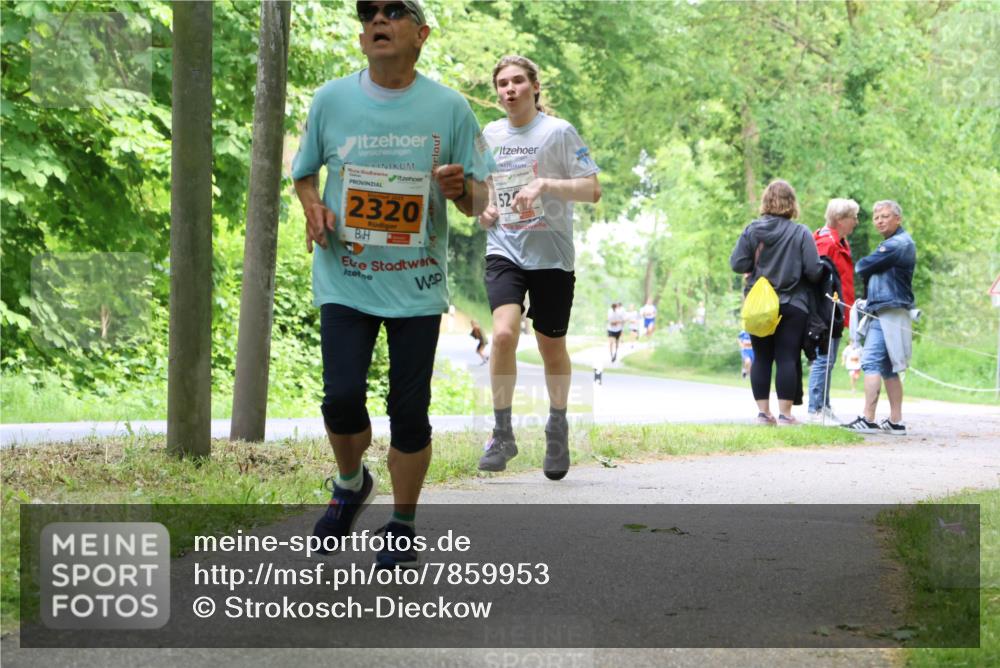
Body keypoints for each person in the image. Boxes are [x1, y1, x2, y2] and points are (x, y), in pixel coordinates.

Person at [291, 0, 492, 569]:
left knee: (409, 411)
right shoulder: (331, 100)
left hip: (417, 285)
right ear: (362, 39)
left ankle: (402, 523)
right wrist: (313, 208)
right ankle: (350, 482)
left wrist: (460, 191)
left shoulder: (450, 108)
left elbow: (483, 199)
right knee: (342, 397)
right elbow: (304, 173)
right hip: (346, 278)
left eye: (394, 11)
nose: (378, 19)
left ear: (421, 34)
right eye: (369, 14)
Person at [475, 55, 601, 480]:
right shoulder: (488, 135)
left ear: (534, 87)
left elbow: (593, 189)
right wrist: (483, 209)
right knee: (505, 333)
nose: (509, 89)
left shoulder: (559, 132)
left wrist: (546, 184)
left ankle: (557, 424)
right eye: (502, 83)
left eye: (517, 82)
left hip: (551, 256)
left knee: (550, 346)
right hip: (504, 249)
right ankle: (502, 431)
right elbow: (480, 190)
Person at [730, 180, 822, 426]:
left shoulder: (753, 230)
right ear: (792, 203)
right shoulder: (801, 232)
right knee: (787, 357)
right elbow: (814, 270)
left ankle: (763, 414)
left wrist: (755, 267)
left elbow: (737, 264)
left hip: (760, 305)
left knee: (761, 357)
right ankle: (785, 414)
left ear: (766, 201)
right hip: (793, 303)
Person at [842, 200, 916, 435]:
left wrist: (870, 264)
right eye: (876, 218)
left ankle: (868, 419)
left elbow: (863, 266)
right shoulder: (893, 243)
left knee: (872, 361)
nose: (880, 221)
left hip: (888, 310)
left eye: (885, 216)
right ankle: (896, 422)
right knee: (887, 367)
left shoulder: (898, 244)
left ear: (898, 219)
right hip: (883, 309)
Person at [806, 198, 859, 423]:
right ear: (840, 219)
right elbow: (816, 277)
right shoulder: (825, 243)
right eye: (853, 218)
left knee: (829, 360)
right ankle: (815, 409)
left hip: (839, 308)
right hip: (826, 308)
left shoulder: (840, 242)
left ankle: (824, 406)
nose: (856, 222)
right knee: (823, 359)